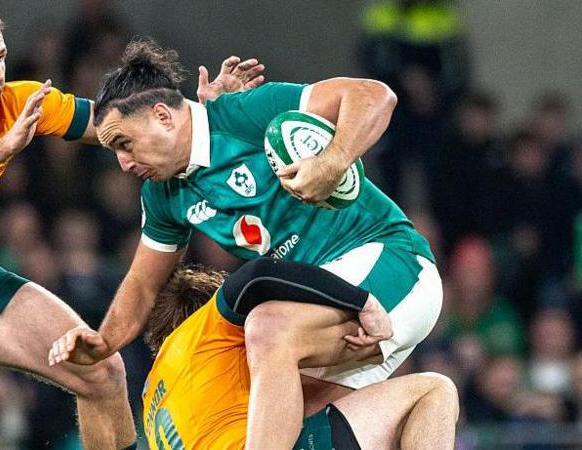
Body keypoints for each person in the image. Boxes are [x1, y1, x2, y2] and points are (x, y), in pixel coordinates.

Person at [0, 4, 264, 449]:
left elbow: (116, 124)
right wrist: (4, 146)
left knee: (101, 368)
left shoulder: (17, 104)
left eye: (0, 56)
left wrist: (200, 112)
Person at [50, 39, 442, 449]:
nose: (123, 164)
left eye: (124, 144)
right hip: (325, 304)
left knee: (266, 328)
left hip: (388, 261)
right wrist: (104, 340)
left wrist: (333, 161)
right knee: (259, 409)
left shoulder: (243, 113)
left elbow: (374, 96)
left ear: (163, 116)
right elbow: (143, 284)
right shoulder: (164, 194)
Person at [141, 261, 459, 449]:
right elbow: (257, 274)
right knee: (434, 390)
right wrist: (362, 302)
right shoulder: (203, 331)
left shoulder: (150, 402)